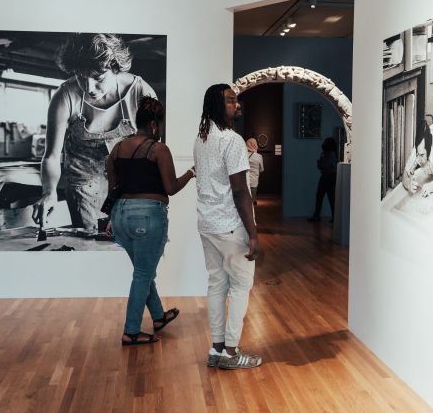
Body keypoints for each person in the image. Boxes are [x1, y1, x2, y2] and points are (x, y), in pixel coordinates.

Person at [34, 34, 157, 233]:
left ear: (115, 67)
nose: (89, 88)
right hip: (83, 182)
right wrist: (49, 193)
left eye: (98, 78)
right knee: (90, 239)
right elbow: (52, 156)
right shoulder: (64, 96)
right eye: (81, 77)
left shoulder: (141, 93)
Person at [105, 97, 195, 346]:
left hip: (121, 215)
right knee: (143, 274)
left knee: (142, 272)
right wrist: (191, 173)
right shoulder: (158, 149)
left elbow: (112, 186)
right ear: (155, 124)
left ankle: (158, 316)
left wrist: (110, 218)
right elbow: (171, 187)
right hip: (147, 215)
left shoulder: (118, 148)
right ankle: (131, 331)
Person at [194, 84, 262, 370]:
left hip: (207, 223)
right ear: (216, 105)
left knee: (216, 285)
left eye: (237, 100)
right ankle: (231, 352)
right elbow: (239, 191)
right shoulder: (231, 140)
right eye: (231, 101)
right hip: (230, 225)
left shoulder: (202, 137)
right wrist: (254, 233)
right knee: (241, 286)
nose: (238, 105)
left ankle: (217, 348)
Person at [401, 122, 433, 197]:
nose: (419, 159)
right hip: (429, 162)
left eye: (422, 155)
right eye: (418, 154)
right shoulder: (418, 149)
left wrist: (429, 187)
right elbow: (405, 174)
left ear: (429, 150)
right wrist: (408, 184)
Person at [308, 137, 338, 221]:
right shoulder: (325, 153)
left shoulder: (331, 154)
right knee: (321, 196)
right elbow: (320, 166)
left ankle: (332, 217)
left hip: (329, 177)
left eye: (325, 142)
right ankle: (318, 215)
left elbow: (323, 165)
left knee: (329, 197)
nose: (324, 143)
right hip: (326, 177)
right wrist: (321, 164)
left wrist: (321, 163)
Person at [245, 137, 264, 203]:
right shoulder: (259, 156)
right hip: (254, 182)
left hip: (244, 182)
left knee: (244, 202)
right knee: (251, 202)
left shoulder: (243, 155)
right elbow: (261, 169)